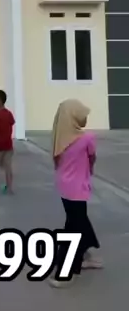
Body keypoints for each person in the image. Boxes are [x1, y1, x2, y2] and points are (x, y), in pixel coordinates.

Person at [49, 99, 102, 288]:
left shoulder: (60, 138)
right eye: (83, 116)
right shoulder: (87, 138)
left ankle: (85, 255)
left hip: (64, 187)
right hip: (78, 189)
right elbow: (92, 158)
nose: (85, 119)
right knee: (73, 230)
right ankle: (67, 272)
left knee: (77, 220)